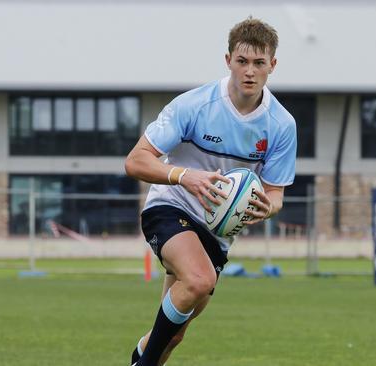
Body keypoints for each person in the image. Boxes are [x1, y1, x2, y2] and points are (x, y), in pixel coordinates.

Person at [124, 17, 296, 366]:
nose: (249, 71)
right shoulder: (194, 105)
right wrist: (185, 176)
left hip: (217, 231)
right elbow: (136, 161)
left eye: (259, 63)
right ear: (228, 59)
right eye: (242, 61)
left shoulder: (281, 125)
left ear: (272, 65)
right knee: (200, 280)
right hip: (170, 208)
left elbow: (275, 195)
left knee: (171, 336)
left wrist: (267, 208)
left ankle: (142, 358)